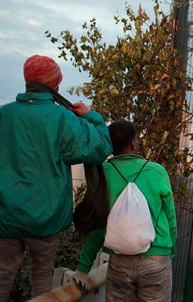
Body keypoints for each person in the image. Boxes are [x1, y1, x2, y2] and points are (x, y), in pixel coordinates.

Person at [0, 55, 112, 300]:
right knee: (42, 279)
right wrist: (91, 116)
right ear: (56, 84)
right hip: (46, 219)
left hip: (5, 217)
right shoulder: (63, 119)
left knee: (2, 277)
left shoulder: (4, 116)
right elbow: (101, 147)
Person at [72, 120, 177, 302]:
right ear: (133, 143)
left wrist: (83, 267)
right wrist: (169, 250)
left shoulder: (103, 173)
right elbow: (170, 218)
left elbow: (97, 224)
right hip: (156, 260)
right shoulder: (156, 171)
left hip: (120, 262)